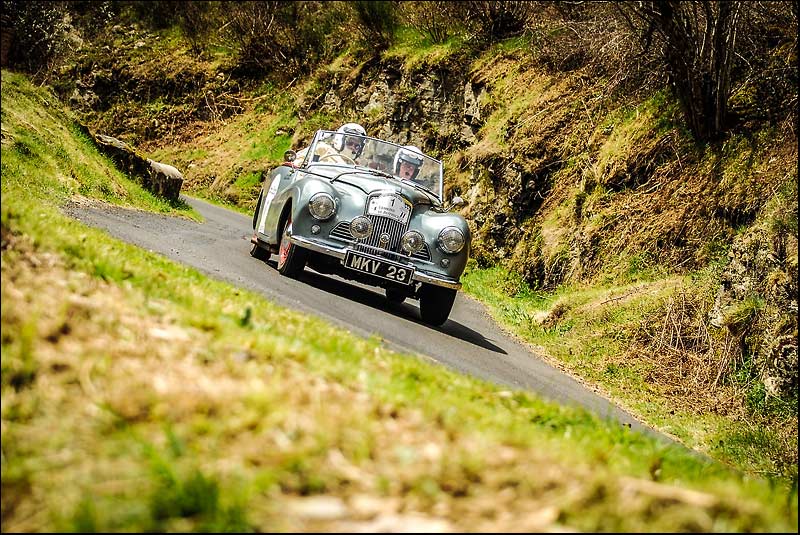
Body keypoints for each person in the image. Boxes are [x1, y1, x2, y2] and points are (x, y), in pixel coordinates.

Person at [292, 122, 366, 166]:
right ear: (339, 140)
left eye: (357, 146)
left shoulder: (357, 167)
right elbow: (298, 161)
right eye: (350, 143)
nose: (353, 147)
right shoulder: (323, 149)